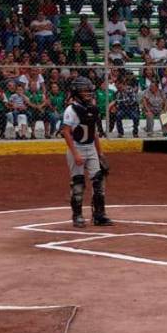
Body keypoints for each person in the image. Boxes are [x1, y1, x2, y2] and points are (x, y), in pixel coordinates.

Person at [61, 77, 112, 228]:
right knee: (78, 183)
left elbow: (93, 132)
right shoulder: (71, 110)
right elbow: (66, 132)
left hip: (90, 148)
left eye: (89, 90)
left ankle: (99, 215)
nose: (88, 93)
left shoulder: (92, 108)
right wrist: (75, 153)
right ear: (76, 92)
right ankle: (77, 216)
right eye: (84, 90)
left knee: (98, 180)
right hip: (76, 147)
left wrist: (100, 153)